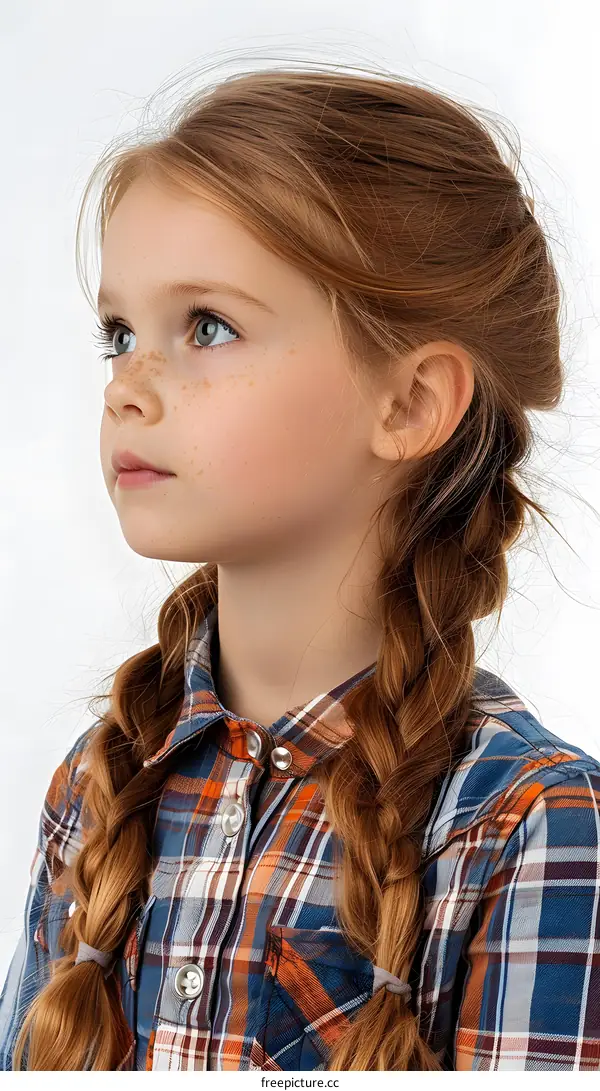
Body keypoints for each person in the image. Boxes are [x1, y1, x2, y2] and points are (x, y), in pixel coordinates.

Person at [1, 58, 599, 1073]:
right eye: (119, 333)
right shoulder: (101, 787)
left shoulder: (528, 823)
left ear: (410, 403)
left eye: (209, 326)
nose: (127, 388)